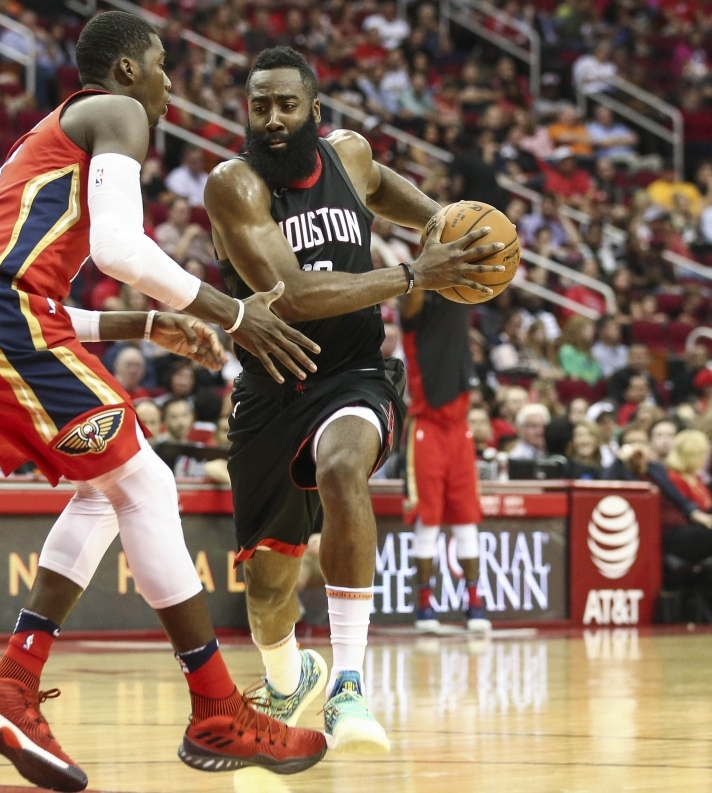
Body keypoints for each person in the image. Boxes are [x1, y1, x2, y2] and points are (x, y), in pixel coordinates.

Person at [0, 14, 331, 788]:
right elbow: (118, 250)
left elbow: (32, 297)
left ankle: (14, 680)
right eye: (164, 65)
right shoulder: (117, 110)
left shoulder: (55, 138)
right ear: (129, 70)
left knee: (110, 490)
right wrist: (232, 311)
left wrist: (148, 323)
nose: (172, 82)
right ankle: (215, 705)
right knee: (148, 483)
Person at [203, 46, 503, 753]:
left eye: (285, 104)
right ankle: (287, 674)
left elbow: (390, 192)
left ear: (313, 108)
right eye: (258, 105)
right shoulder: (233, 186)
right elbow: (297, 297)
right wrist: (411, 273)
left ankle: (346, 684)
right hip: (273, 387)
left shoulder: (351, 156)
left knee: (344, 470)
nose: (271, 119)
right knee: (270, 585)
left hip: (354, 375)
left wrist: (446, 228)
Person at [401, 289, 490, 634]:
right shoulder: (415, 311)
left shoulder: (459, 296)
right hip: (428, 428)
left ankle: (475, 603)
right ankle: (425, 606)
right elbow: (413, 298)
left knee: (467, 520)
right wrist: (426, 265)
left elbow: (478, 274)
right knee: (428, 520)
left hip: (460, 429)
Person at [663, 430, 712, 565]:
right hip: (681, 530)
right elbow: (684, 511)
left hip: (700, 527)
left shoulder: (696, 479)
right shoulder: (673, 478)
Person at [155, 195, 215, 264]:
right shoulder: (162, 231)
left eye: (187, 212)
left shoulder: (194, 229)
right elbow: (176, 257)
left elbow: (214, 257)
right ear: (171, 212)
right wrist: (188, 235)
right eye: (181, 212)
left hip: (203, 267)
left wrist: (204, 239)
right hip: (181, 268)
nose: (185, 215)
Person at [557, 316, 602, 385]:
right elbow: (573, 375)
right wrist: (588, 377)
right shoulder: (566, 351)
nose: (593, 333)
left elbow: (598, 373)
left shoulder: (590, 352)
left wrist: (587, 377)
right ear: (579, 331)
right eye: (590, 329)